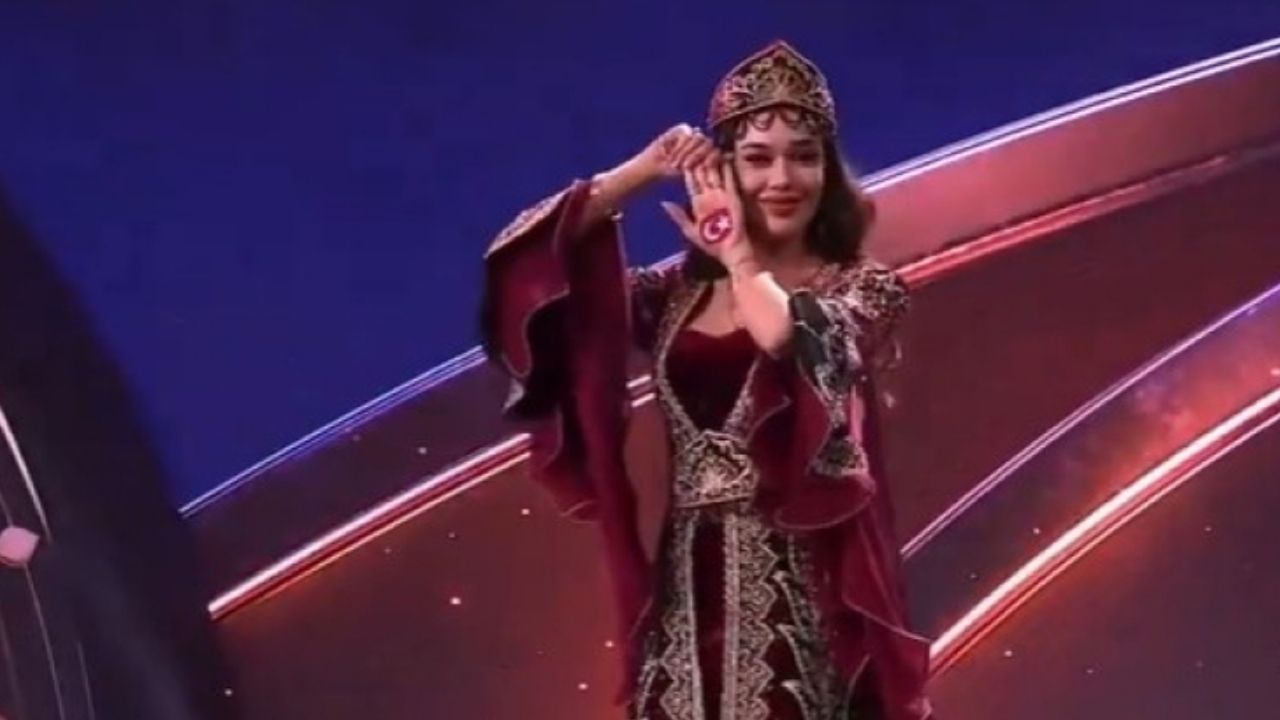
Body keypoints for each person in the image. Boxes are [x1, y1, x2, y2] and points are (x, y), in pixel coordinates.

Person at [482, 40, 934, 719]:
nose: (782, 178)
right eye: (757, 158)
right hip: (685, 592)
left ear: (828, 170)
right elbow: (525, 265)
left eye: (803, 156)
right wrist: (642, 170)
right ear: (723, 168)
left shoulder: (862, 287)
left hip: (806, 591)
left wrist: (739, 256)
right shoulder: (676, 294)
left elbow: (787, 335)